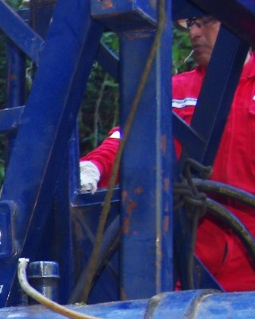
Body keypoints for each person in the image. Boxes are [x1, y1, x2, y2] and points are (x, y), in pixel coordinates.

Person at [79, 15, 255, 291]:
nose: (195, 33)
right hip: (189, 274)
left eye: (206, 22)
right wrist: (93, 167)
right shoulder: (173, 90)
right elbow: (128, 137)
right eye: (191, 24)